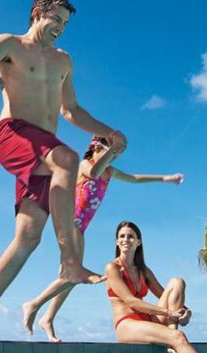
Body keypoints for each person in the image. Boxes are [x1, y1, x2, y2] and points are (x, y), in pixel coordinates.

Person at [0, 0, 128, 345]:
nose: (61, 29)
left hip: (43, 155)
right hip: (14, 135)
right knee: (67, 158)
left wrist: (107, 133)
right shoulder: (11, 45)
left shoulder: (63, 61)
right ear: (38, 13)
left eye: (66, 24)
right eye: (57, 21)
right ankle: (69, 260)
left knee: (29, 236)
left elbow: (71, 111)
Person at [22, 136, 184, 341]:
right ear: (97, 147)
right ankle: (34, 305)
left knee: (71, 276)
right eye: (112, 152)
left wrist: (165, 178)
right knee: (73, 274)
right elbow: (93, 172)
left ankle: (47, 317)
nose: (115, 157)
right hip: (68, 222)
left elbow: (134, 178)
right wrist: (110, 152)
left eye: (117, 154)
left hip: (80, 229)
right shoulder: (84, 165)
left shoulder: (109, 172)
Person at [105, 221, 198, 353]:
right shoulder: (112, 268)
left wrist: (187, 313)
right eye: (122, 236)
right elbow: (132, 302)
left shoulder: (144, 271)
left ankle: (171, 341)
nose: (126, 239)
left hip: (148, 321)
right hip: (127, 324)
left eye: (130, 236)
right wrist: (169, 313)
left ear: (138, 242)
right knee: (178, 337)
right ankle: (174, 343)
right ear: (117, 242)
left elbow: (167, 295)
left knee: (177, 282)